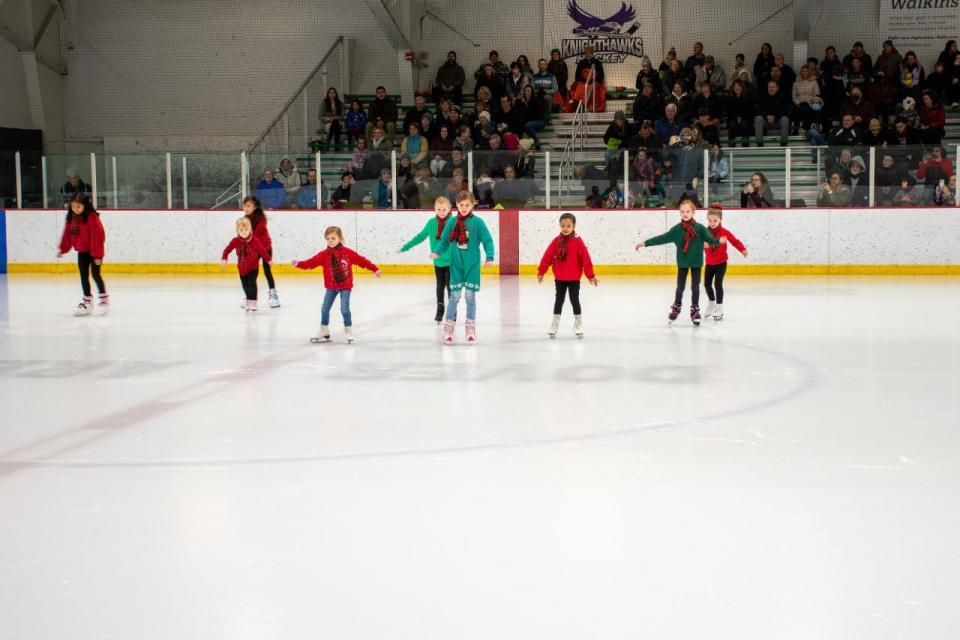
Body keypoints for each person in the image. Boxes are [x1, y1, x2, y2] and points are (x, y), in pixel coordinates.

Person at [635, 195, 723, 325]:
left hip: (696, 264)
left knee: (695, 287)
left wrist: (718, 241)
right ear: (679, 213)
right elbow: (662, 238)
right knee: (680, 287)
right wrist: (646, 243)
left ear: (693, 212)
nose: (685, 214)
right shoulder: (677, 230)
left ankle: (694, 310)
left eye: (688, 211)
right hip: (682, 263)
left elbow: (711, 239)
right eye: (682, 212)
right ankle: (676, 308)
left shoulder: (699, 228)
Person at [292, 225, 382, 344]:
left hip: (345, 286)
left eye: (333, 238)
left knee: (344, 308)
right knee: (324, 309)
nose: (330, 241)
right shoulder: (324, 255)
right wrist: (299, 264)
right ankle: (324, 330)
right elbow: (311, 263)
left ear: (340, 238)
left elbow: (362, 261)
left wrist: (374, 269)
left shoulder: (348, 253)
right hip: (331, 286)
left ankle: (348, 329)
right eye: (328, 238)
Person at [430, 190, 495, 345]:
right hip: (457, 265)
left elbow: (487, 240)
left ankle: (470, 327)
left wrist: (489, 256)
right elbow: (444, 240)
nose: (464, 208)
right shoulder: (452, 222)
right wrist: (437, 252)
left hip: (472, 265)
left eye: (467, 205)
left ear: (473, 205)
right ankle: (448, 327)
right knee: (454, 296)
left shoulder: (478, 223)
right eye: (461, 205)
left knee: (470, 297)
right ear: (456, 205)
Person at [537, 212, 598, 338]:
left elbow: (585, 259)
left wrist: (590, 275)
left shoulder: (578, 242)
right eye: (563, 225)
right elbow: (547, 256)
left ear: (574, 227)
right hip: (560, 278)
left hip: (574, 278)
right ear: (560, 226)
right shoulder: (556, 241)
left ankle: (578, 323)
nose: (565, 228)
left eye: (568, 226)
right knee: (559, 301)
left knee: (574, 300)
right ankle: (554, 324)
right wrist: (541, 271)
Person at [399, 196, 455, 323]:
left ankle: (452, 310)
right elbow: (420, 237)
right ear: (435, 209)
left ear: (449, 209)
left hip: (452, 261)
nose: (441, 212)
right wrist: (405, 247)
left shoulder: (453, 222)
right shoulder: (431, 223)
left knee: (450, 286)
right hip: (438, 261)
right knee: (440, 286)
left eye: (444, 209)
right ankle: (440, 308)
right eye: (438, 209)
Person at [58, 193, 107, 316]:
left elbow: (98, 236)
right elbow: (67, 234)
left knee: (96, 275)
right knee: (83, 276)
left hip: (93, 251)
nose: (76, 209)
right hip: (82, 251)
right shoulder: (71, 218)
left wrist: (97, 255)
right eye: (73, 206)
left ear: (85, 206)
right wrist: (63, 248)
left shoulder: (92, 217)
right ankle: (87, 302)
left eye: (78, 206)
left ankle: (103, 299)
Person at [702, 204, 747, 321]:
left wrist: (742, 249)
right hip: (709, 263)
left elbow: (735, 241)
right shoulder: (704, 232)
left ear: (720, 220)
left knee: (717, 284)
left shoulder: (724, 232)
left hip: (721, 263)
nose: (712, 223)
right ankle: (712, 303)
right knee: (707, 284)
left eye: (715, 220)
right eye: (710, 220)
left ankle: (719, 308)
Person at [221, 216, 271, 313]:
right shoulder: (235, 241)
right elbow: (227, 250)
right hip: (242, 268)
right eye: (241, 230)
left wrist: (268, 260)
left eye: (246, 229)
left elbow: (262, 250)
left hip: (253, 267)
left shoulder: (254, 240)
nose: (244, 232)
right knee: (245, 285)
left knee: (252, 283)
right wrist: (224, 258)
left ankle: (254, 302)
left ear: (250, 229)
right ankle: (248, 300)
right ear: (237, 230)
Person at [242, 195, 280, 308]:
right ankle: (250, 295)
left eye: (249, 206)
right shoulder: (245, 218)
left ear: (255, 207)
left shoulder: (261, 218)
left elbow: (256, 234)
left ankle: (273, 293)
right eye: (244, 206)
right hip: (254, 249)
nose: (246, 208)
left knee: (267, 270)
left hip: (265, 248)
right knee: (252, 272)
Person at [661, 128, 703, 204]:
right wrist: (670, 145)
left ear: (692, 137)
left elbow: (702, 168)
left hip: (690, 186)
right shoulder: (675, 148)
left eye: (688, 136)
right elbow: (664, 156)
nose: (686, 138)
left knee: (691, 207)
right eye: (683, 136)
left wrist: (697, 177)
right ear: (680, 137)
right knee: (676, 209)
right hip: (676, 185)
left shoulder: (699, 151)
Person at [754, 80, 790, 146]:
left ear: (777, 88)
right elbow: (759, 109)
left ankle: (783, 143)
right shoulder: (763, 96)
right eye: (769, 87)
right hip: (766, 121)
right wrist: (766, 116)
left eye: (773, 87)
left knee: (785, 119)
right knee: (758, 118)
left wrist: (775, 117)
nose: (771, 89)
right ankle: (759, 143)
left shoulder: (782, 97)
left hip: (777, 121)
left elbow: (785, 110)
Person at [725, 79, 754, 146]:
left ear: (742, 87)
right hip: (733, 119)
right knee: (732, 123)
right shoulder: (729, 98)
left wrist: (741, 117)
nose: (736, 87)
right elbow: (728, 112)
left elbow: (750, 111)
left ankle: (745, 145)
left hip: (745, 118)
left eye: (738, 86)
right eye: (735, 86)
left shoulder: (748, 97)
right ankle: (731, 145)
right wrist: (736, 117)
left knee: (744, 123)